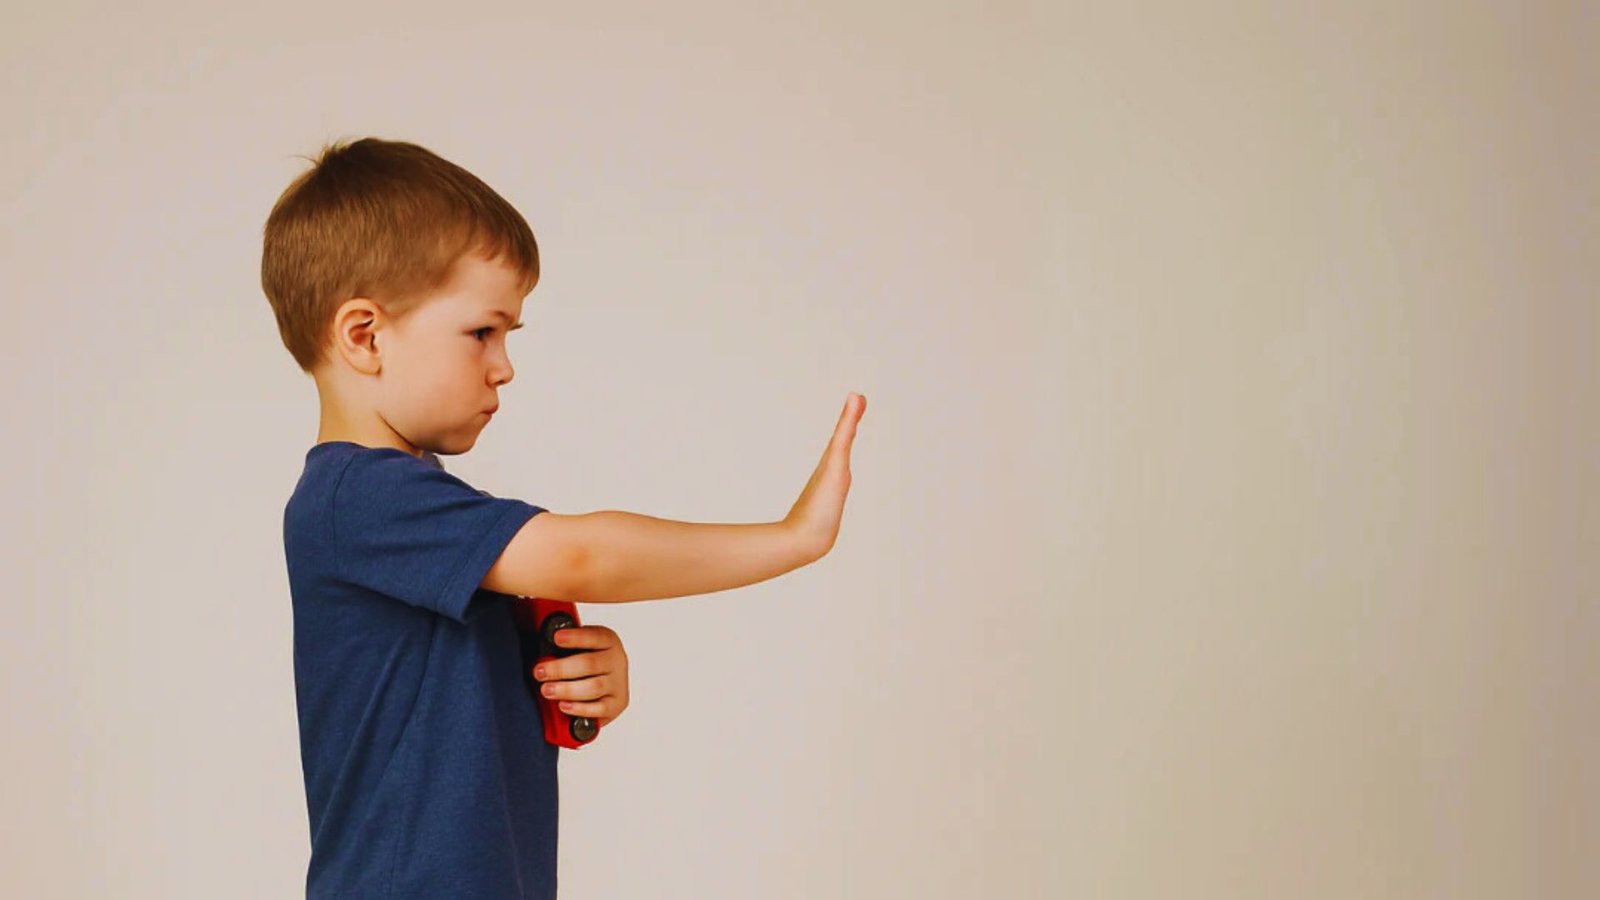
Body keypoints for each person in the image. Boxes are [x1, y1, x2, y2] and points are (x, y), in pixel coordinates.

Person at [261, 136, 866, 899]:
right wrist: (791, 539)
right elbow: (580, 557)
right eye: (482, 330)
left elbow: (454, 711)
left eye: (509, 335)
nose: (504, 363)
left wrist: (581, 675)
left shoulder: (416, 510)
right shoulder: (357, 499)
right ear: (364, 335)